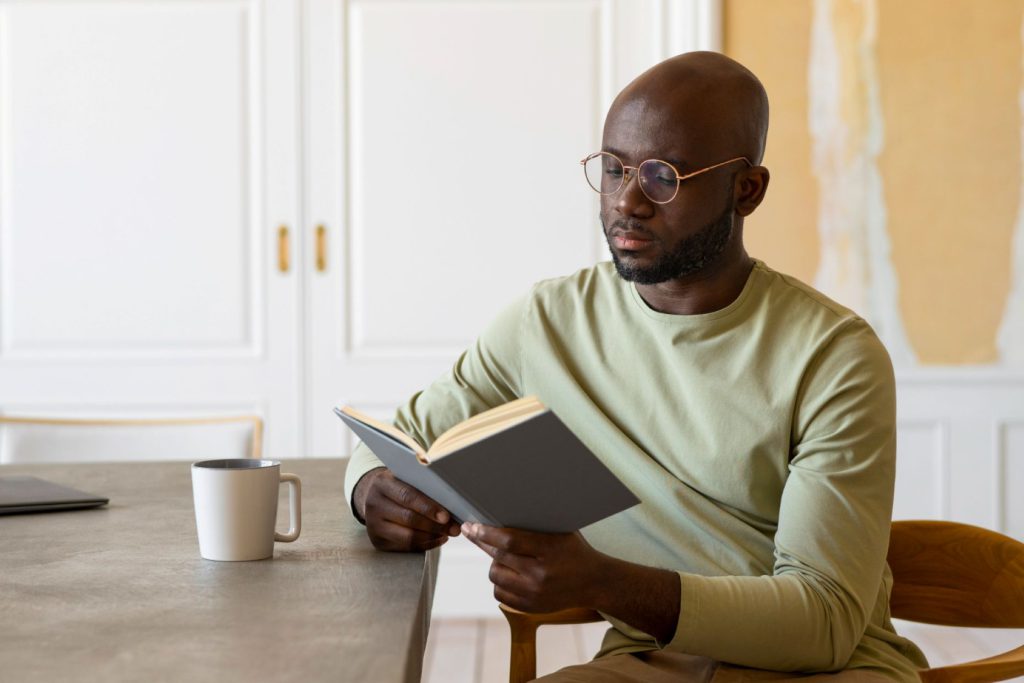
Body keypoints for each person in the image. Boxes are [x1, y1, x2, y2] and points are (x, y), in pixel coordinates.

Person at [343, 51, 928, 682]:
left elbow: (825, 625)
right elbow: (396, 441)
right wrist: (372, 492)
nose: (628, 201)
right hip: (651, 663)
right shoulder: (547, 322)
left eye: (663, 176)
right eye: (614, 167)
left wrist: (602, 580)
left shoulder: (834, 355)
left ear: (747, 191)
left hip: (827, 672)